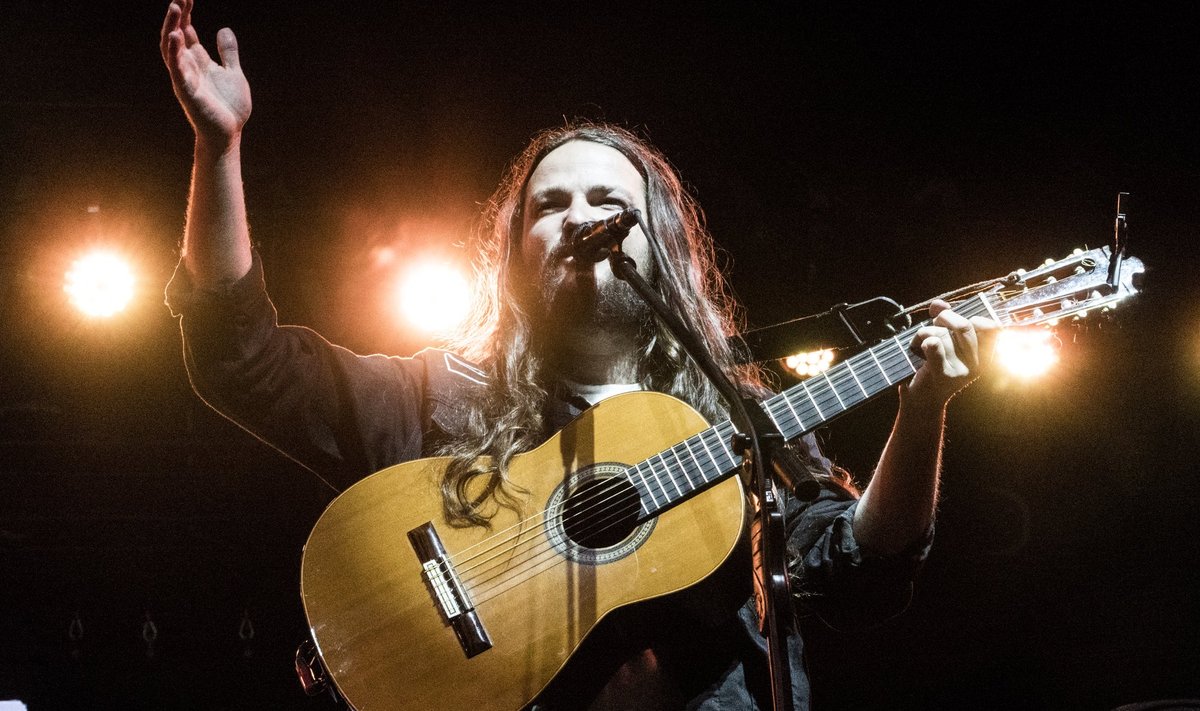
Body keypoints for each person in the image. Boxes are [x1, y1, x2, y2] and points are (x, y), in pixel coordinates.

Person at [160, 1, 995, 708]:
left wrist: (922, 412)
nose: (578, 216)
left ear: (658, 242)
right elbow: (245, 360)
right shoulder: (438, 394)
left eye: (606, 199)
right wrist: (220, 149)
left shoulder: (734, 410)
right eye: (549, 204)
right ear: (516, 246)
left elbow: (855, 570)